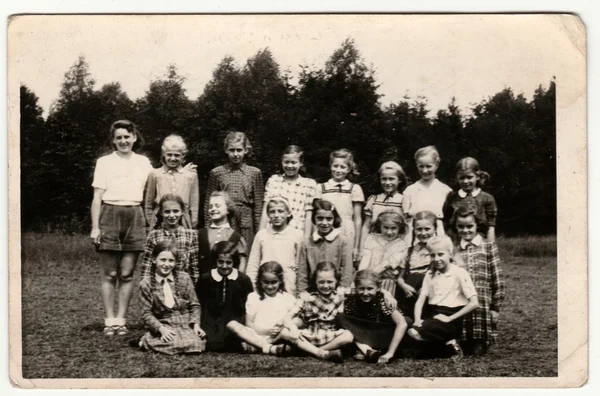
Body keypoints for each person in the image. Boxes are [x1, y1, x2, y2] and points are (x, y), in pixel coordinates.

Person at [90, 120, 153, 336]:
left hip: (135, 215)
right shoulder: (104, 162)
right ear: (113, 140)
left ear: (134, 137)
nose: (123, 141)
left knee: (126, 274)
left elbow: (158, 182)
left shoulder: (144, 162)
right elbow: (97, 197)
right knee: (110, 273)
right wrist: (95, 227)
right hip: (110, 214)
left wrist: (183, 171)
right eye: (119, 137)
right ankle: (109, 321)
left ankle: (121, 320)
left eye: (127, 136)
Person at [407, 236, 479, 359]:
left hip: (451, 318)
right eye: (432, 255)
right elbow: (420, 300)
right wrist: (418, 319)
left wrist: (450, 318)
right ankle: (447, 346)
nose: (436, 259)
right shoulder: (430, 274)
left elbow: (474, 303)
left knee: (413, 332)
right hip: (433, 314)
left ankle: (450, 342)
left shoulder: (459, 273)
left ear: (450, 254)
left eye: (440, 254)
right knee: (412, 333)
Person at [137, 241, 206, 355]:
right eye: (163, 260)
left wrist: (196, 325)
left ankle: (152, 342)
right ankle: (146, 340)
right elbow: (146, 313)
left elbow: (195, 305)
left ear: (176, 262)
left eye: (171, 260)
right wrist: (162, 330)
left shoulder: (184, 278)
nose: (167, 264)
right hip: (164, 324)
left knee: (196, 344)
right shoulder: (146, 284)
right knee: (173, 342)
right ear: (154, 260)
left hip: (185, 323)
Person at [453, 206, 505, 355]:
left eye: (470, 226)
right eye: (461, 227)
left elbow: (497, 277)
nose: (465, 230)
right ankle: (463, 342)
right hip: (461, 296)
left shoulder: (488, 246)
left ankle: (480, 342)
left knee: (480, 323)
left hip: (483, 297)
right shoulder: (455, 249)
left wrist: (496, 307)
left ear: (477, 225)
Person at [279, 262, 354, 363]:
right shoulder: (306, 297)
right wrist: (293, 329)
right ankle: (321, 353)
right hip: (310, 335)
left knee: (348, 336)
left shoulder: (339, 297)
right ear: (315, 282)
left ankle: (314, 352)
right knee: (284, 332)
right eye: (321, 282)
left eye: (330, 282)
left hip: (330, 336)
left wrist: (344, 297)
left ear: (336, 281)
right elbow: (287, 318)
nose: (326, 285)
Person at [204, 131, 264, 246]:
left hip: (246, 223)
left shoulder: (255, 173)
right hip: (223, 220)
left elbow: (258, 207)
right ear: (226, 150)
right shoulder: (217, 173)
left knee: (245, 253)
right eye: (232, 150)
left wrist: (259, 231)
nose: (235, 154)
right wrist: (208, 227)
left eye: (239, 150)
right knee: (223, 252)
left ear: (246, 150)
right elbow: (209, 201)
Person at [336, 270, 409, 363]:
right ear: (356, 287)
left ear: (378, 288)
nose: (365, 293)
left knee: (405, 321)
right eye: (361, 288)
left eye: (370, 289)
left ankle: (366, 349)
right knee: (340, 318)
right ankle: (366, 349)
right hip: (362, 332)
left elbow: (402, 324)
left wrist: (390, 353)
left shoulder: (384, 299)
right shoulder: (352, 297)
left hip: (381, 335)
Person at [226, 261, 297, 356]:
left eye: (274, 282)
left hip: (278, 337)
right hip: (257, 335)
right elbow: (249, 323)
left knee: (289, 332)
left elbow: (290, 322)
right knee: (232, 324)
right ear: (260, 280)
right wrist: (266, 331)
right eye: (266, 282)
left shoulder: (288, 298)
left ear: (280, 280)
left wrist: (280, 330)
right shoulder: (253, 297)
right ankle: (268, 347)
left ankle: (259, 347)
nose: (269, 286)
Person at [195, 241, 254, 352]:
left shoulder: (243, 280)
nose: (224, 266)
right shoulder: (205, 278)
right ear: (215, 261)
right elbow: (199, 303)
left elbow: (248, 306)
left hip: (235, 320)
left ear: (234, 262)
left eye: (228, 262)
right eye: (220, 262)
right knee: (212, 344)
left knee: (234, 341)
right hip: (212, 320)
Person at [246, 196, 303, 296]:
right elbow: (253, 265)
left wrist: (298, 289)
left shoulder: (297, 235)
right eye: (272, 212)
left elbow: (300, 265)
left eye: (280, 211)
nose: (276, 215)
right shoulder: (261, 235)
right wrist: (253, 289)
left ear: (288, 213)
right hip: (266, 285)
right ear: (268, 214)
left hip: (288, 285)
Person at [315, 149, 364, 262]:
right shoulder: (321, 188)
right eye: (335, 166)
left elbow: (357, 218)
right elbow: (316, 215)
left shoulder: (354, 188)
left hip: (347, 230)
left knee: (345, 263)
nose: (338, 170)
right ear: (330, 166)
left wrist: (356, 246)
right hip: (326, 228)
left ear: (349, 169)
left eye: (342, 167)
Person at [259, 145, 317, 241]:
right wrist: (261, 236)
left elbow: (309, 216)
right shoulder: (274, 181)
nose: (290, 166)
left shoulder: (309, 184)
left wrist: (306, 240)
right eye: (286, 162)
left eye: (293, 162)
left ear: (301, 163)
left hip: (297, 235)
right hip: (273, 234)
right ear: (281, 162)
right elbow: (266, 210)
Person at [140, 194, 200, 285]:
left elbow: (195, 267)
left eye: (175, 211)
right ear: (161, 212)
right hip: (158, 284)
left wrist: (192, 287)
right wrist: (147, 287)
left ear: (182, 211)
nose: (172, 215)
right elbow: (147, 266)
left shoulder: (191, 235)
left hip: (182, 285)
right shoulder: (154, 235)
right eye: (167, 211)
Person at [297, 199, 353, 293]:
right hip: (313, 292)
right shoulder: (307, 243)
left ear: (334, 219)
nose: (324, 223)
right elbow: (302, 272)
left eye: (329, 219)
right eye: (320, 218)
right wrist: (302, 292)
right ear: (314, 219)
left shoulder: (343, 241)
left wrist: (343, 288)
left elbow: (347, 268)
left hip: (337, 292)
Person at [144, 134, 200, 229]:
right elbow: (148, 203)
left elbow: (194, 203)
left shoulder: (190, 175)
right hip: (160, 219)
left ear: (183, 156)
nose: (173, 158)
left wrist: (193, 220)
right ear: (164, 155)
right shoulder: (155, 174)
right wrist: (151, 220)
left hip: (183, 220)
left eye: (177, 155)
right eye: (169, 154)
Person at [402, 146, 452, 244]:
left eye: (428, 166)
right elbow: (405, 220)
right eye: (421, 166)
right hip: (415, 237)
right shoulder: (410, 191)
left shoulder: (445, 190)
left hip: (439, 237)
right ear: (416, 165)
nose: (425, 170)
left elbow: (449, 221)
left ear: (436, 165)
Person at [443, 157, 498, 242]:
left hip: (480, 242)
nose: (465, 181)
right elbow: (446, 224)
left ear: (478, 176)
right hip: (456, 242)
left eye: (469, 177)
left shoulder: (487, 198)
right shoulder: (452, 198)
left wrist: (490, 248)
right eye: (462, 178)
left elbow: (491, 227)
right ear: (457, 178)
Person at [397, 210, 438, 318]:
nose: (423, 233)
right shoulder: (409, 251)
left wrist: (427, 287)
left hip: (431, 296)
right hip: (409, 294)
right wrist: (403, 285)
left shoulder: (439, 250)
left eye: (427, 229)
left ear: (435, 229)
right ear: (414, 230)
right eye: (419, 229)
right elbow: (400, 277)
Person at [358, 211, 408, 296]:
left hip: (386, 283)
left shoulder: (401, 245)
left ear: (399, 229)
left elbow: (385, 265)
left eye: (393, 228)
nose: (389, 232)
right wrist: (360, 277)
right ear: (379, 226)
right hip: (366, 282)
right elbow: (365, 259)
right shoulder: (371, 238)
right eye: (386, 227)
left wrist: (368, 278)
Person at [360, 161, 407, 252]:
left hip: (396, 246)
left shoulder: (403, 200)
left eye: (391, 179)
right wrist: (361, 249)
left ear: (399, 179)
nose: (387, 182)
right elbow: (366, 226)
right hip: (374, 245)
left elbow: (406, 228)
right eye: (384, 179)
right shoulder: (373, 199)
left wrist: (405, 250)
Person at [197, 191, 247, 275]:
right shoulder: (200, 233)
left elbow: (242, 262)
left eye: (217, 206)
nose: (213, 209)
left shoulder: (236, 237)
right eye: (210, 206)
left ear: (228, 209)